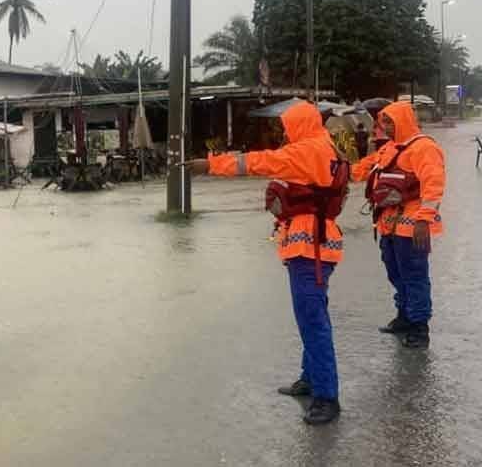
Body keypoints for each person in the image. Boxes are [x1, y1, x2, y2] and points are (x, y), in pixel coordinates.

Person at [189, 101, 347, 425]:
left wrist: (209, 165)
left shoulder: (307, 151)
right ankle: (311, 378)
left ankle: (327, 397)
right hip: (315, 242)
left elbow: (259, 162)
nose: (284, 131)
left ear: (299, 124)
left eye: (288, 125)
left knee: (313, 320)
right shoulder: (324, 146)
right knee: (311, 316)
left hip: (309, 247)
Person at [352, 101, 445, 348]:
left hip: (412, 226)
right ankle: (404, 316)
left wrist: (424, 220)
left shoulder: (424, 148)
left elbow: (433, 185)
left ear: (403, 119)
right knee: (396, 273)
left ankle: (419, 327)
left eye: (390, 122)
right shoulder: (391, 148)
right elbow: (364, 170)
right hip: (389, 224)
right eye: (384, 122)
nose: (386, 127)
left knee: (415, 276)